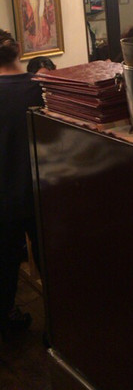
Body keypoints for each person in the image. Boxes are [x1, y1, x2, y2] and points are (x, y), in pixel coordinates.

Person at [0, 29, 43, 340]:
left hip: (3, 195)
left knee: (5, 266)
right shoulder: (41, 87)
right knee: (50, 263)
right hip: (42, 190)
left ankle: (7, 321)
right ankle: (60, 331)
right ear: (18, 49)